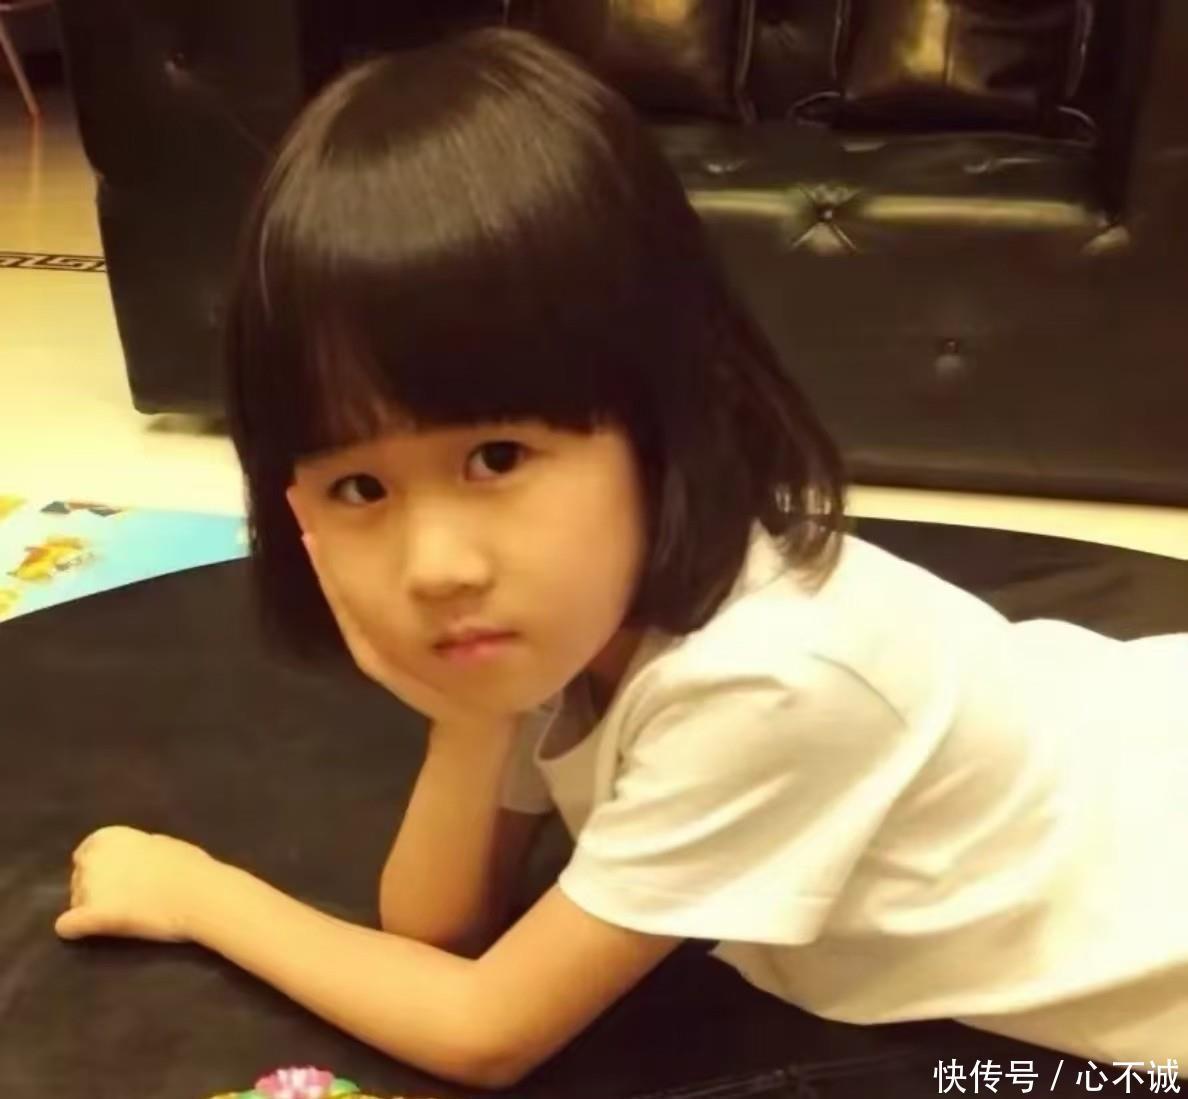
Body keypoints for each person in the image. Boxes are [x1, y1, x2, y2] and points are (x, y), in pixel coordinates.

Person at [55, 27, 1187, 1087]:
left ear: (663, 417)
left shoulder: (767, 679)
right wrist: (471, 716)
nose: (436, 564)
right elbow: (435, 923)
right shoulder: (576, 611)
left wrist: (200, 896)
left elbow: (485, 1027)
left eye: (497, 456)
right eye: (361, 487)